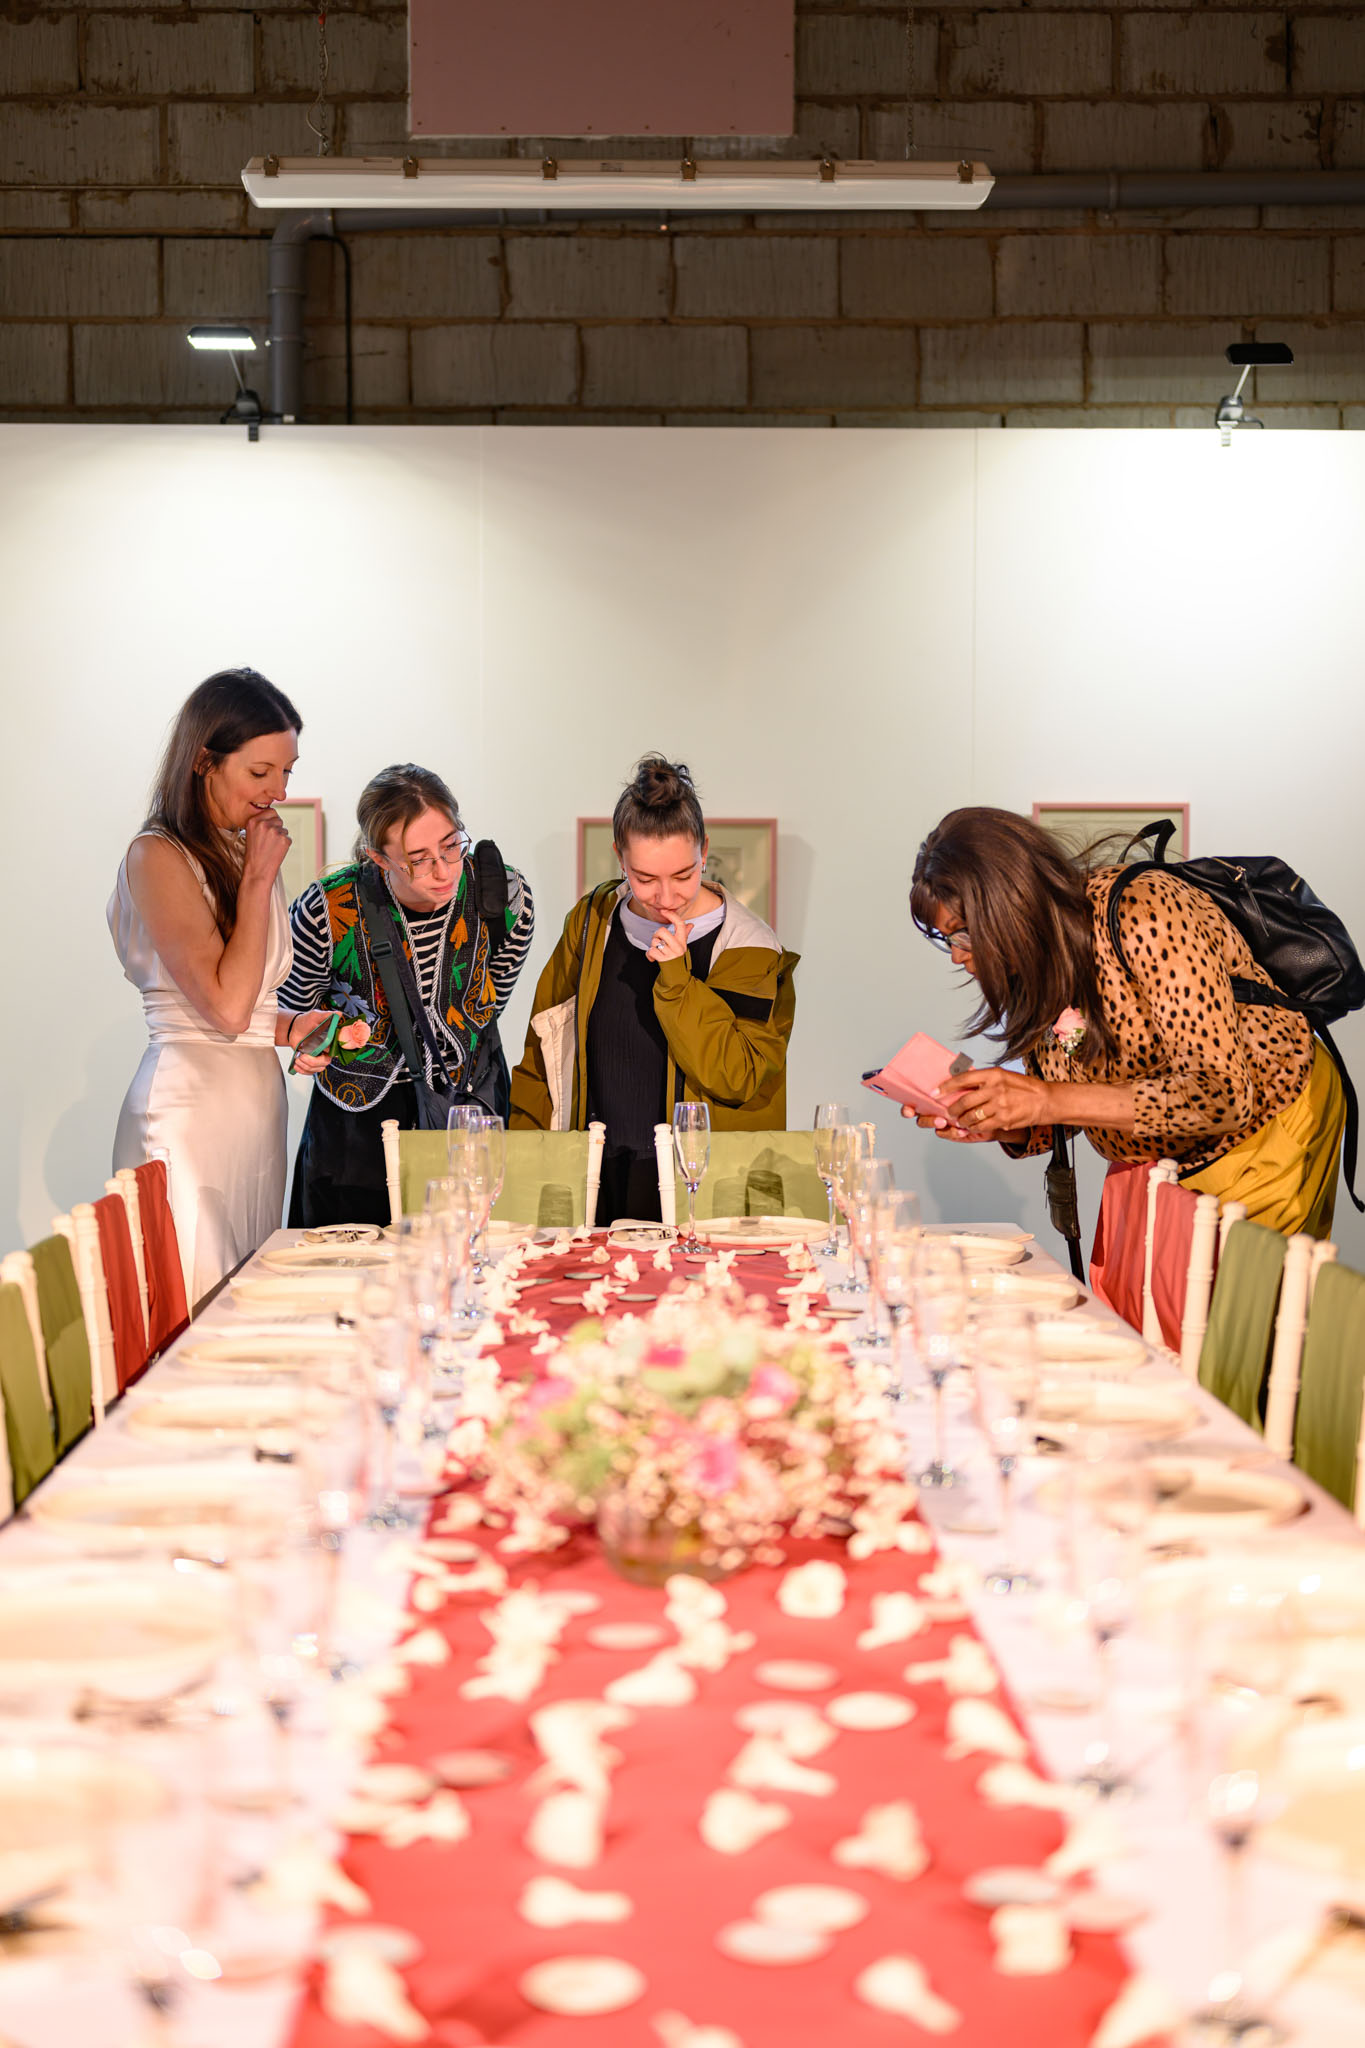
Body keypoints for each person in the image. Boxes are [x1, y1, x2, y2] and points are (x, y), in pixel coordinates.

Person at [907, 806, 1346, 1238]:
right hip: (1160, 1167)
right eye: (947, 940)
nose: (959, 957)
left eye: (963, 932)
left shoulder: (1144, 911)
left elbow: (1222, 1095)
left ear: (1007, 905)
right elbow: (1073, 1099)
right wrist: (999, 1119)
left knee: (1243, 1307)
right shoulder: (1035, 966)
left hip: (1264, 1133)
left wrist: (1046, 1099)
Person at [109, 668, 330, 1307]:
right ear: (205, 760)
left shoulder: (243, 853)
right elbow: (224, 1008)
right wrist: (260, 880)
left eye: (287, 772)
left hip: (256, 1108)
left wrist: (297, 1028)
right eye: (261, 773)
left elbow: (250, 1006)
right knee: (191, 1310)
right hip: (190, 1113)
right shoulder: (158, 856)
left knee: (247, 1309)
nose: (278, 792)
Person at [511, 755, 799, 1225]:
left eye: (683, 875)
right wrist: (527, 1163)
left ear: (705, 851)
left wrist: (676, 979)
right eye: (644, 879)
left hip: (697, 1188)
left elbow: (738, 1075)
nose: (666, 898)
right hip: (594, 1178)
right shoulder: (591, 923)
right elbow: (542, 1051)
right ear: (619, 857)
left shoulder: (751, 947)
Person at [278, 764, 534, 1227]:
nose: (443, 871)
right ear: (379, 858)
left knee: (472, 1271)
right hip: (355, 1132)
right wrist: (316, 1042)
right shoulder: (325, 909)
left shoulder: (505, 897)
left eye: (452, 845)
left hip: (464, 1115)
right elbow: (295, 1012)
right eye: (418, 858)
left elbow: (488, 1003)